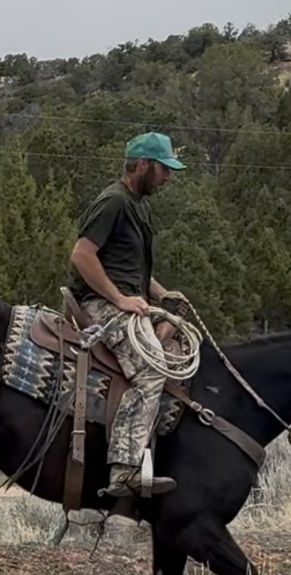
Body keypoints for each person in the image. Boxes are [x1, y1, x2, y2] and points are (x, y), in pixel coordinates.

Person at [66, 131, 191, 498]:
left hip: (123, 298)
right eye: (164, 169)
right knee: (152, 369)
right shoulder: (114, 202)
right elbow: (82, 255)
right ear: (142, 164)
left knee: (178, 345)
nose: (168, 177)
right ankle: (124, 470)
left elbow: (129, 268)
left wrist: (162, 295)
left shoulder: (139, 206)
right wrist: (120, 299)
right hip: (99, 303)